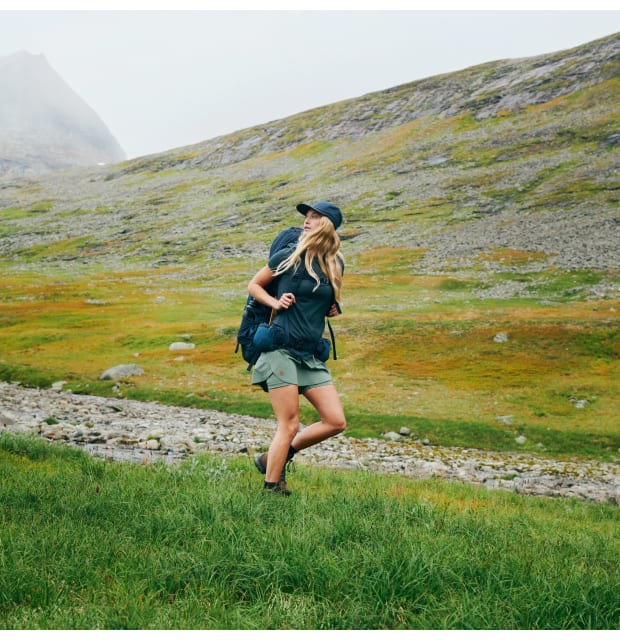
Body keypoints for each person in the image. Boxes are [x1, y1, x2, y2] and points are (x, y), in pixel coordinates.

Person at [248, 200, 347, 496]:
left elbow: (322, 297)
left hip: (310, 353)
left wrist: (331, 308)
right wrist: (275, 302)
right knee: (289, 424)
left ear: (327, 224)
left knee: (336, 421)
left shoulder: (335, 263)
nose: (307, 220)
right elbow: (254, 285)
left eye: (315, 216)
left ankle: (272, 459)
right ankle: (271, 489)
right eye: (307, 215)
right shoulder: (288, 255)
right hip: (280, 348)